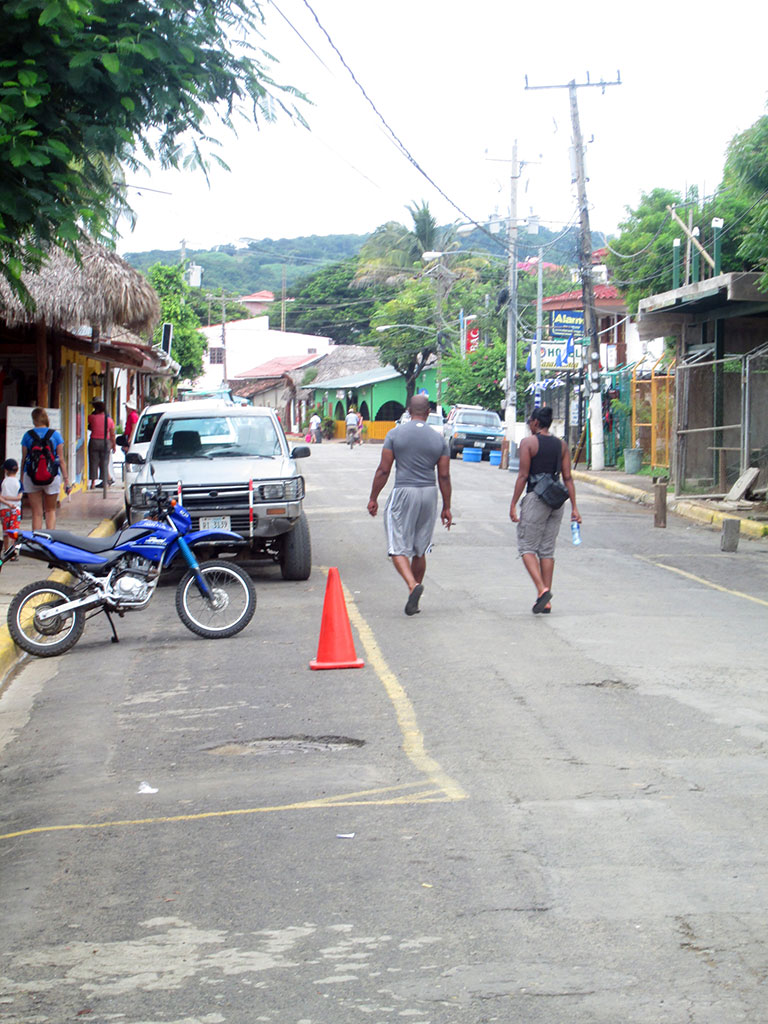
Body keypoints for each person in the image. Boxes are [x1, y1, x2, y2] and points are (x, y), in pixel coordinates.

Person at [367, 394, 452, 616]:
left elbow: (384, 470)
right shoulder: (439, 439)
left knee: (397, 545)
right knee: (419, 548)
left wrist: (373, 497)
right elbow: (444, 476)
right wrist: (446, 506)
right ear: (428, 412)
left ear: (408, 411)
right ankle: (413, 597)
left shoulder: (395, 434)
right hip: (429, 493)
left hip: (404, 491)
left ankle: (412, 585)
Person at [508, 406, 581, 614]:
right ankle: (546, 600)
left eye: (530, 421)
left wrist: (513, 503)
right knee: (547, 550)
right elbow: (568, 478)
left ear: (536, 423)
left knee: (527, 548)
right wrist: (575, 507)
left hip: (536, 499)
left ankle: (542, 590)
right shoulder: (562, 445)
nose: (529, 425)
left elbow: (523, 476)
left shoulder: (529, 443)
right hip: (557, 500)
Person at [21, 407, 71, 532]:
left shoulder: (27, 436)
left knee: (36, 513)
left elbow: (24, 458)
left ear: (34, 420)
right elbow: (61, 459)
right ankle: (49, 540)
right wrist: (66, 480)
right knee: (50, 510)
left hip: (31, 475)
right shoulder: (55, 435)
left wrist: (22, 477)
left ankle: (37, 540)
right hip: (52, 475)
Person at [87, 400, 116, 488]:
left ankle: (92, 483)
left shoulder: (92, 417)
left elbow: (88, 423)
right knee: (105, 462)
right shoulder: (109, 420)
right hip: (105, 441)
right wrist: (114, 445)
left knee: (93, 461)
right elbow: (112, 434)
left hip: (94, 441)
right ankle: (105, 481)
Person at [0, 458, 22, 557]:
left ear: (5, 470)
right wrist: (12, 503)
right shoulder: (19, 483)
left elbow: (0, 497)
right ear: (17, 470)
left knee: (5, 532)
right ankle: (14, 552)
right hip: (16, 510)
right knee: (15, 532)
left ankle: (6, 550)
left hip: (4, 509)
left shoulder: (3, 483)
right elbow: (19, 497)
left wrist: (7, 502)